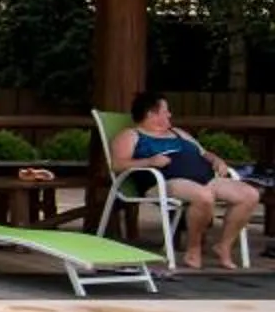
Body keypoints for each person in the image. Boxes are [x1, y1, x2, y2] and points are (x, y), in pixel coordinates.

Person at [111, 92, 260, 271]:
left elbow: (203, 152)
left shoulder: (178, 133)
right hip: (166, 181)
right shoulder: (131, 135)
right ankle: (193, 249)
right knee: (203, 196)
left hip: (206, 178)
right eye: (166, 111)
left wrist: (216, 160)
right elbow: (118, 164)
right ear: (151, 114)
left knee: (250, 195)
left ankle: (224, 246)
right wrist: (149, 161)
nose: (170, 115)